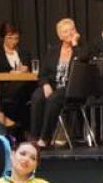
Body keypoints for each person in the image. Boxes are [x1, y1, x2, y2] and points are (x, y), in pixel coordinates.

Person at [30, 18, 87, 148]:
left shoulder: (82, 49)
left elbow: (83, 59)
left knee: (53, 99)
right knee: (37, 96)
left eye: (72, 29)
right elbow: (42, 73)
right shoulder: (53, 51)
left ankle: (45, 139)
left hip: (72, 89)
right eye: (65, 31)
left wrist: (75, 44)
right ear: (60, 35)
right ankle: (34, 137)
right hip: (52, 86)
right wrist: (45, 84)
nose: (70, 33)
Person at [0, 21, 34, 131]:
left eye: (16, 38)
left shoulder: (24, 53)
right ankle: (3, 114)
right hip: (1, 87)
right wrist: (9, 74)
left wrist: (26, 70)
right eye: (10, 38)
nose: (13, 41)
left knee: (23, 83)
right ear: (3, 37)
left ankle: (1, 112)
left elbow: (31, 73)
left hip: (22, 89)